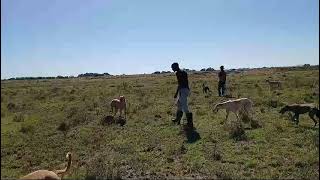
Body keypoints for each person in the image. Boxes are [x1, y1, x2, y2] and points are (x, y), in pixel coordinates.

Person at [171, 63, 193, 129]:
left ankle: (190, 123)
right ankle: (178, 120)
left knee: (185, 107)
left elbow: (180, 84)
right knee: (179, 104)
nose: (172, 69)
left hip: (183, 90)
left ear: (176, 67)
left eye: (172, 67)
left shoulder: (178, 73)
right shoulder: (183, 72)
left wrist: (176, 93)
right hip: (185, 89)